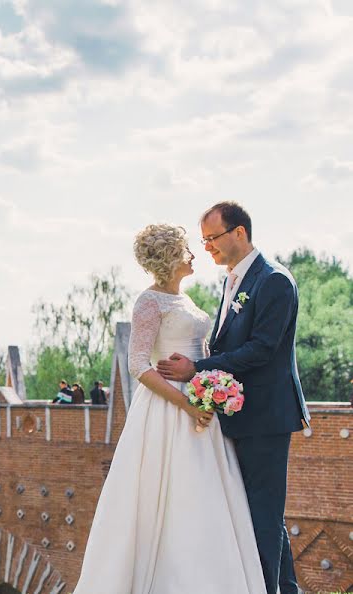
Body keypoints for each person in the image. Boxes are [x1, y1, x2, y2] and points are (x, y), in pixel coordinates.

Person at [74, 222, 266, 594]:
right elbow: (138, 365)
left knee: (208, 493)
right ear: (170, 258)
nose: (194, 254)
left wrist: (212, 388)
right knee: (168, 493)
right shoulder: (149, 301)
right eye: (186, 250)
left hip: (200, 401)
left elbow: (202, 353)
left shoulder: (185, 300)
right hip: (168, 408)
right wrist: (187, 404)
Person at [158, 202, 309, 594]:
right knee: (263, 515)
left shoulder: (273, 280)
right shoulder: (232, 280)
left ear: (239, 233)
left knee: (261, 514)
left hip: (267, 416)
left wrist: (198, 369)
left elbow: (262, 349)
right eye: (204, 240)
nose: (206, 247)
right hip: (242, 414)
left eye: (212, 238)